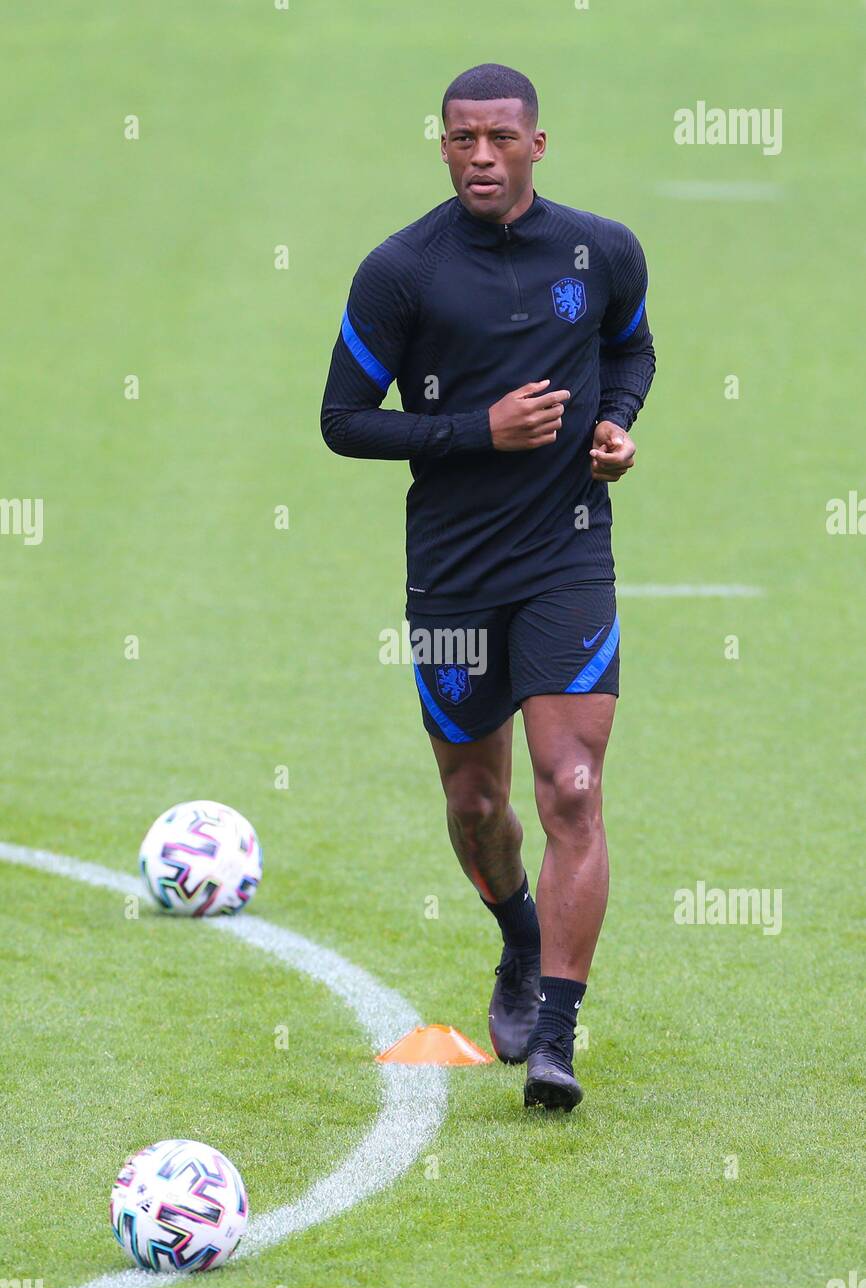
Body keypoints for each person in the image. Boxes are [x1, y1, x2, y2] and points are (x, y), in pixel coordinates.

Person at [321, 63, 656, 1110]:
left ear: (535, 146)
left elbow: (629, 348)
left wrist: (616, 425)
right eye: (460, 138)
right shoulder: (400, 271)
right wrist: (478, 430)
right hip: (454, 578)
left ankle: (554, 1038)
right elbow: (342, 420)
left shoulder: (599, 249)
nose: (478, 155)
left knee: (571, 787)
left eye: (499, 139)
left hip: (565, 558)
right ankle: (518, 938)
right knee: (476, 805)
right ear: (441, 143)